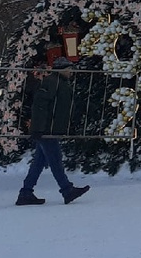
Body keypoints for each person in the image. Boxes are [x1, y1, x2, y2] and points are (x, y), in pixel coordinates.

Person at [17, 58, 90, 206]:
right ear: (61, 69)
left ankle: (26, 192)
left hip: (49, 129)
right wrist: (37, 128)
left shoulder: (59, 83)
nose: (71, 72)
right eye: (69, 68)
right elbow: (39, 105)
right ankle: (67, 190)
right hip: (46, 129)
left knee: (39, 162)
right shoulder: (52, 82)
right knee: (55, 159)